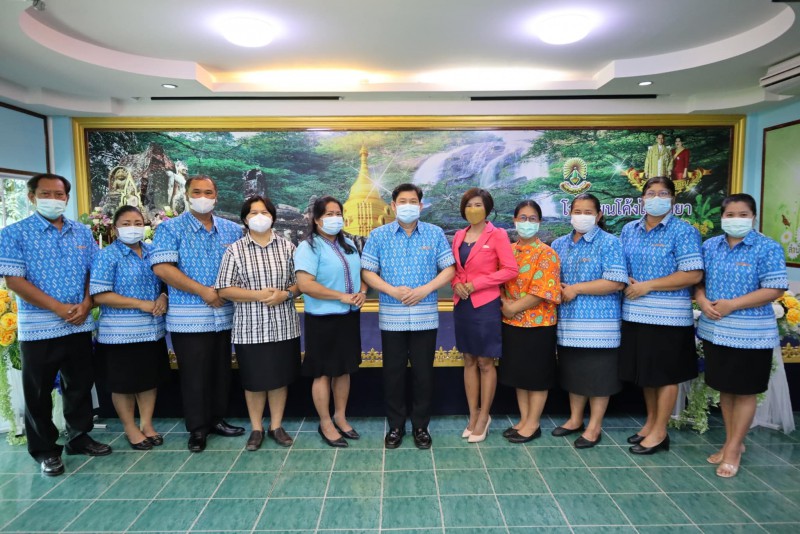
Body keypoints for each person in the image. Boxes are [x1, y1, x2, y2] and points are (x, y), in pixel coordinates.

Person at [0, 173, 111, 476]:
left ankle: (79, 436)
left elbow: (94, 272)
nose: (54, 199)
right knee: (37, 391)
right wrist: (58, 308)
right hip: (39, 327)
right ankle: (45, 450)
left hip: (78, 323)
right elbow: (15, 281)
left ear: (66, 197)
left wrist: (87, 303)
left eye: (59, 194)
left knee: (79, 384)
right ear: (32, 197)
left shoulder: (82, 232)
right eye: (46, 194)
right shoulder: (14, 233)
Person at [150, 175, 245, 452]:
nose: (203, 197)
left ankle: (217, 419)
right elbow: (163, 268)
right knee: (194, 374)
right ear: (187, 195)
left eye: (208, 192)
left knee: (221, 371)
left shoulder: (231, 230)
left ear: (216, 196)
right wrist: (203, 291)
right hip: (189, 317)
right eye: (197, 192)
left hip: (224, 314)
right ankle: (198, 428)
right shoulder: (170, 229)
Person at [695, 193, 788, 477]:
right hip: (716, 331)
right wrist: (702, 300)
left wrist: (733, 305)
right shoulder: (710, 246)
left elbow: (774, 288)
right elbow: (698, 281)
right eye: (730, 215)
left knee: (745, 390)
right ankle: (730, 441)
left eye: (743, 215)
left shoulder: (767, 247)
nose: (736, 220)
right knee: (726, 389)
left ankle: (734, 448)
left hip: (752, 334)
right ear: (722, 217)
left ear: (754, 217)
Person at [361, 183, 455, 450]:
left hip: (425, 316)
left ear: (421, 205)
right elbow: (367, 271)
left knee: (424, 374)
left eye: (413, 201)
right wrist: (391, 290)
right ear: (393, 206)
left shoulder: (435, 233)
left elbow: (449, 269)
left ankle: (421, 426)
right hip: (392, 317)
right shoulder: (378, 235)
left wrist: (425, 289)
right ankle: (396, 426)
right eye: (402, 201)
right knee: (393, 374)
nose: (408, 206)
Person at [620, 176, 703, 454]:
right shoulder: (629, 229)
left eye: (663, 193)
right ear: (642, 199)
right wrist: (626, 278)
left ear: (673, 200)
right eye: (651, 193)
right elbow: (621, 266)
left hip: (669, 318)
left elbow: (692, 274)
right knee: (647, 375)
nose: (656, 198)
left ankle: (660, 431)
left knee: (666, 375)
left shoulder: (683, 231)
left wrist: (649, 285)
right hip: (635, 314)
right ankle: (650, 423)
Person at [215, 196, 301, 450]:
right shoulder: (235, 250)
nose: (260, 217)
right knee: (254, 381)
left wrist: (286, 294)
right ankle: (256, 428)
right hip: (250, 328)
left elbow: (300, 283)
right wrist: (258, 295)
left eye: (264, 212)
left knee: (279, 379)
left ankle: (276, 426)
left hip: (284, 326)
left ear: (273, 217)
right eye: (253, 213)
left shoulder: (288, 248)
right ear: (245, 219)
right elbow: (224, 289)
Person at [551, 194, 627, 449]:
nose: (582, 216)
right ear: (569, 213)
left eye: (588, 212)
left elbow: (616, 281)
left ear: (599, 215)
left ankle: (594, 426)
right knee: (574, 373)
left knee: (599, 377)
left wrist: (577, 289)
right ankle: (575, 419)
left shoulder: (609, 243)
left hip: (600, 325)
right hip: (568, 323)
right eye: (577, 211)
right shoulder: (559, 244)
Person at [90, 205, 170, 450]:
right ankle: (130, 428)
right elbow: (100, 295)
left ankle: (147, 424)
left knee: (148, 380)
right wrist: (140, 304)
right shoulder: (107, 256)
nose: (132, 228)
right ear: (115, 228)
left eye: (137, 223)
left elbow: (165, 282)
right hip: (119, 334)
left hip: (152, 331)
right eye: (126, 224)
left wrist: (163, 297)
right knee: (123, 384)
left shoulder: (153, 252)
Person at [295, 196, 366, 448]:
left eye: (338, 214)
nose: (335, 218)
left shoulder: (349, 244)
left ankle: (340, 417)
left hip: (348, 316)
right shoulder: (309, 247)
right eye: (328, 214)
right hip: (322, 319)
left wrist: (362, 292)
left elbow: (361, 273)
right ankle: (325, 422)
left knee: (344, 369)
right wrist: (341, 296)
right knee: (323, 372)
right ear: (316, 219)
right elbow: (305, 285)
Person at [451, 188, 517, 443]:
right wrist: (457, 283)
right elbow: (455, 269)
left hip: (485, 304)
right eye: (469, 205)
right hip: (462, 304)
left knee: (485, 362)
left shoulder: (497, 234)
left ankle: (484, 416)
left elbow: (510, 269)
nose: (473, 209)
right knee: (468, 359)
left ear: (487, 208)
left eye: (478, 204)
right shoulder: (459, 235)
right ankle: (472, 414)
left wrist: (476, 284)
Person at [498, 200, 561, 443]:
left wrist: (512, 308)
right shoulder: (508, 251)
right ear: (514, 221)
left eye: (532, 218)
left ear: (540, 222)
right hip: (512, 323)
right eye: (522, 218)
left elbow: (542, 290)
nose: (527, 223)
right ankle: (523, 420)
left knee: (536, 377)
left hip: (538, 325)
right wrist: (505, 304)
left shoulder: (547, 253)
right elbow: (498, 282)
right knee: (519, 375)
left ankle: (533, 423)